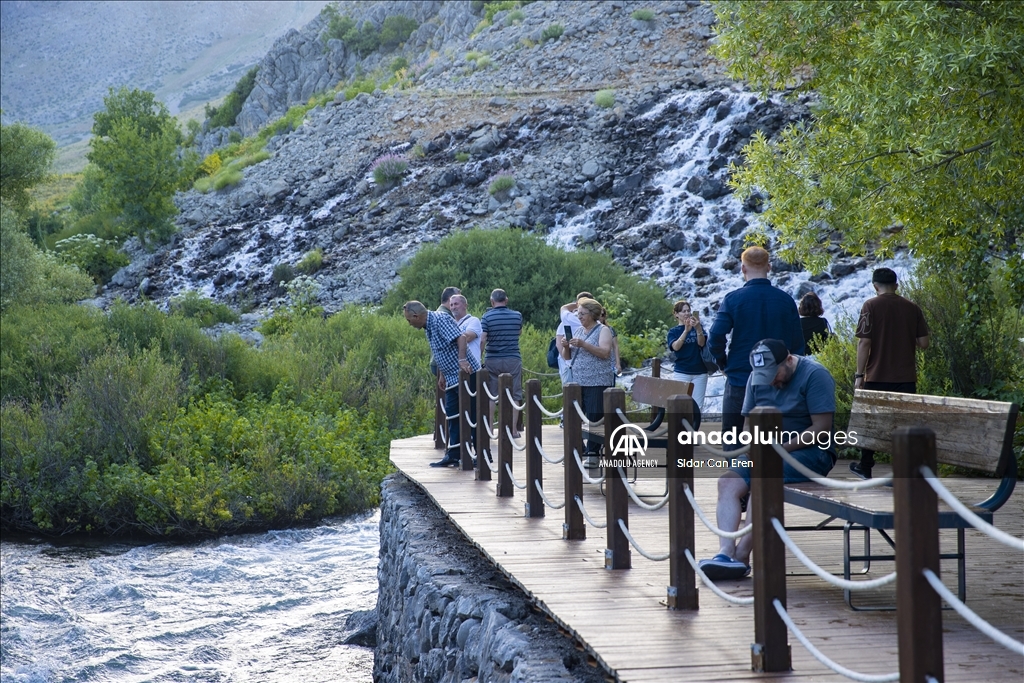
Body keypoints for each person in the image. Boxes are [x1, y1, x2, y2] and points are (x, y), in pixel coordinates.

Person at [698, 339, 837, 579]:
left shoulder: (815, 375)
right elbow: (748, 424)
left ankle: (742, 555)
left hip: (812, 452)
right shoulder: (757, 376)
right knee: (727, 482)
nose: (771, 380)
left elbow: (822, 428)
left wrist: (777, 450)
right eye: (765, 376)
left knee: (763, 478)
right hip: (767, 452)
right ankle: (725, 552)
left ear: (790, 360)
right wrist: (752, 445)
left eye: (775, 374)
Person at [708, 246, 804, 448]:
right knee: (777, 436)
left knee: (733, 435)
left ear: (742, 268)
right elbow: (797, 346)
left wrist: (722, 362)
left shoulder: (733, 299)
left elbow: (716, 335)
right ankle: (773, 477)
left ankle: (737, 475)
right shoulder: (786, 300)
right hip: (777, 380)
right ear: (769, 267)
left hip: (740, 376)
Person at [850, 268, 930, 479]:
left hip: (876, 376)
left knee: (871, 424)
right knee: (903, 426)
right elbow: (924, 343)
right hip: (905, 378)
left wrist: (859, 375)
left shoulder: (870, 305)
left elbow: (864, 342)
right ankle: (904, 471)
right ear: (896, 285)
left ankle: (865, 467)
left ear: (875, 286)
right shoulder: (912, 308)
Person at [403, 301, 480, 468]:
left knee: (472, 415)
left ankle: (481, 455)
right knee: (452, 415)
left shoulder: (439, 319)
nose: (409, 324)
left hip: (466, 375)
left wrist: (462, 359)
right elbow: (440, 350)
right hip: (451, 378)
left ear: (416, 316)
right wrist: (442, 375)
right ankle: (453, 454)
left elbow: (460, 338)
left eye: (409, 320)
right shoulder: (428, 327)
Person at [561, 297, 615, 465]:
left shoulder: (603, 330)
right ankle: (578, 449)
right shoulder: (577, 331)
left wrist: (584, 344)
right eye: (578, 313)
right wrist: (565, 347)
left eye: (583, 314)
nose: (579, 317)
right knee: (575, 416)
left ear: (592, 314)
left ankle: (593, 453)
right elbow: (567, 357)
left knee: (594, 416)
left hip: (597, 381)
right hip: (578, 381)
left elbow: (605, 352)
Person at [480, 289, 524, 434]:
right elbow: (518, 332)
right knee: (515, 394)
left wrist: (479, 358)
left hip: (492, 359)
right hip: (513, 358)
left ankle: (491, 429)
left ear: (492, 302)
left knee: (492, 395)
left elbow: (483, 338)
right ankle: (512, 431)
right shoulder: (517, 316)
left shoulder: (486, 317)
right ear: (506, 300)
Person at [666, 300, 708, 410]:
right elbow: (676, 347)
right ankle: (681, 427)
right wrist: (685, 331)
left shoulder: (698, 327)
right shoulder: (673, 332)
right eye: (683, 311)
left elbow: (701, 343)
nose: (687, 313)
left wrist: (698, 328)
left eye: (688, 311)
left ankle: (694, 427)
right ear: (676, 314)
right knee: (680, 406)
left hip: (700, 371)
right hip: (682, 371)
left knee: (697, 407)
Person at [555, 292, 590, 384]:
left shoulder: (568, 318)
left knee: (569, 389)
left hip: (568, 358)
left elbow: (558, 343)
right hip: (587, 359)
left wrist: (567, 360)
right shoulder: (597, 321)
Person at [450, 294, 481, 366]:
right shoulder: (451, 324)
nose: (453, 307)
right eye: (451, 305)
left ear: (465, 305)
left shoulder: (473, 320)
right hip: (456, 367)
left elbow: (467, 337)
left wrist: (449, 340)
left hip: (472, 366)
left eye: (456, 304)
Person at [599, 308, 622, 376]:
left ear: (605, 317)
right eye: (598, 315)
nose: (600, 317)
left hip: (610, 362)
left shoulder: (610, 329)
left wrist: (618, 363)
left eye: (602, 315)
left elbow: (615, 346)